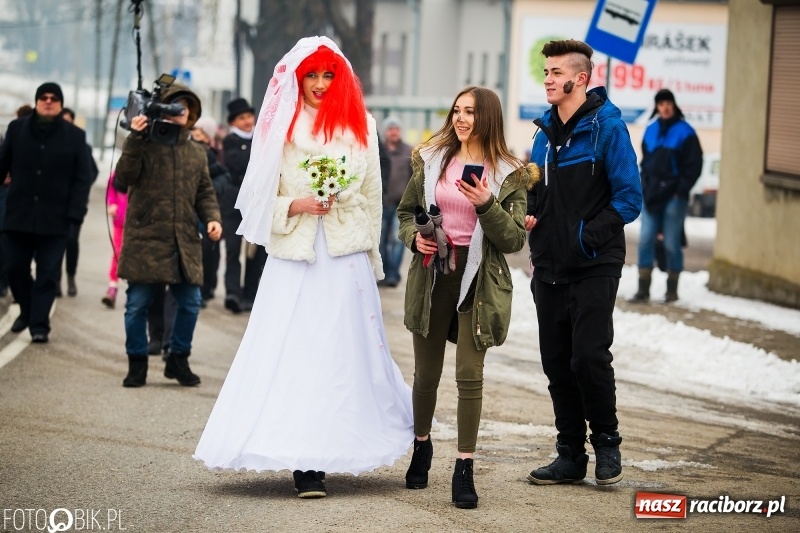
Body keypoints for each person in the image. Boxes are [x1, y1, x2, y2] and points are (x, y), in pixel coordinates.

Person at [194, 36, 414, 499]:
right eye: (310, 75)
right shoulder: (281, 127)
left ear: (341, 78)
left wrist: (370, 257)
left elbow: (373, 198)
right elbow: (254, 203)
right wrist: (295, 204)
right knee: (296, 353)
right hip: (296, 258)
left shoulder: (362, 126)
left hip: (345, 258)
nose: (318, 83)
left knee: (344, 355)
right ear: (297, 78)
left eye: (327, 75)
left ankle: (344, 444)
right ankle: (302, 459)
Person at [397, 86, 536, 509]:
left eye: (471, 112)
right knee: (426, 376)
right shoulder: (432, 160)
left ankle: (464, 467)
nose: (461, 118)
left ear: (488, 117)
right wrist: (413, 239)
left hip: (478, 279)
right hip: (433, 274)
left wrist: (486, 204)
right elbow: (405, 213)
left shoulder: (509, 172)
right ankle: (422, 446)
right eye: (457, 110)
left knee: (469, 376)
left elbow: (512, 239)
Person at [524, 40, 642, 486]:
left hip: (594, 262)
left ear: (581, 78)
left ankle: (607, 445)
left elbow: (630, 199)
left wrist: (583, 237)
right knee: (556, 362)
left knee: (588, 357)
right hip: (548, 263)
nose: (548, 79)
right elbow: (534, 191)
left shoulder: (607, 129)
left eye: (556, 73)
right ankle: (570, 454)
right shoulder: (541, 134)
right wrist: (529, 214)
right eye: (547, 72)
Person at [113, 82, 222, 388]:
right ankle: (137, 363)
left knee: (190, 303)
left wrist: (212, 218)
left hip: (182, 240)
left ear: (192, 115)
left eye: (184, 109)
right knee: (137, 304)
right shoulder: (143, 143)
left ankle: (178, 359)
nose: (179, 114)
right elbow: (124, 178)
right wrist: (135, 137)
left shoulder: (197, 153)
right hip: (145, 239)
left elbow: (205, 192)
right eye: (173, 107)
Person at [0, 82, 93, 343]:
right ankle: (28, 311)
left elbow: (82, 178)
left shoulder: (74, 136)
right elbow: (2, 162)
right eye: (43, 97)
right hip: (18, 215)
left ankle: (39, 325)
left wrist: (75, 214)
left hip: (56, 220)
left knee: (48, 274)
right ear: (37, 101)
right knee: (15, 268)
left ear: (60, 103)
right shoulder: (17, 129)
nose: (48, 101)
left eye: (54, 98)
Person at [631, 89, 702, 303]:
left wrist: (681, 191)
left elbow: (694, 165)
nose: (665, 107)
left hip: (674, 197)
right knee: (645, 241)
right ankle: (643, 289)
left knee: (671, 243)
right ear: (657, 107)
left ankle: (672, 290)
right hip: (651, 195)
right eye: (661, 104)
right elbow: (646, 162)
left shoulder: (686, 132)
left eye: (668, 103)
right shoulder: (650, 130)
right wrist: (644, 185)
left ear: (674, 105)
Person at [220, 97, 268, 313]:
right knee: (233, 249)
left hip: (257, 202)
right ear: (233, 122)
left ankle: (250, 293)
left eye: (249, 116)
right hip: (234, 203)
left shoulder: (263, 138)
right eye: (242, 118)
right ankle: (233, 293)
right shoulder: (229, 141)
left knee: (256, 250)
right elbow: (237, 163)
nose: (247, 121)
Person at [58, 107, 100, 297]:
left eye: (68, 121)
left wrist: (80, 189)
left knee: (71, 241)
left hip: (74, 204)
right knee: (54, 243)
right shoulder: (51, 143)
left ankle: (71, 277)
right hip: (53, 204)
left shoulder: (82, 144)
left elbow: (92, 171)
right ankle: (55, 280)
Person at [378, 116, 413, 287]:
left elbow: (414, 177)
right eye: (390, 128)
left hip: (401, 204)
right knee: (381, 237)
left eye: (396, 129)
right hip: (382, 203)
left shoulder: (409, 151)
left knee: (398, 240)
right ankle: (383, 272)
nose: (393, 132)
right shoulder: (379, 150)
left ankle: (393, 273)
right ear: (385, 131)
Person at [102, 172, 127, 309]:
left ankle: (133, 291)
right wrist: (112, 204)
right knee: (118, 251)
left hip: (139, 222)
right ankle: (112, 286)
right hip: (120, 220)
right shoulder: (118, 172)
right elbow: (111, 188)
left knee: (135, 255)